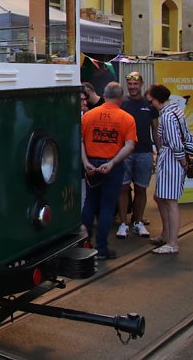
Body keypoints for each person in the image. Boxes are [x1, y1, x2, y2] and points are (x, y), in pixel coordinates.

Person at [80, 81, 136, 260]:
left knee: (90, 202)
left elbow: (80, 141)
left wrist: (85, 162)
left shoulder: (88, 116)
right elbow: (129, 145)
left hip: (91, 163)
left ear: (104, 96)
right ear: (121, 98)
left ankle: (83, 243)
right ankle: (101, 248)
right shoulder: (127, 118)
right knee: (107, 206)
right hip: (112, 165)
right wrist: (112, 163)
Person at [145, 83, 191, 255]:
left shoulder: (167, 116)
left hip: (172, 160)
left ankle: (172, 242)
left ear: (157, 99)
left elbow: (175, 143)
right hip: (172, 159)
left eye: (151, 101)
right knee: (160, 197)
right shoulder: (176, 111)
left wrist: (183, 161)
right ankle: (167, 236)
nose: (151, 104)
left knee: (170, 201)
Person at [116, 72, 159, 239]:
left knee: (141, 189)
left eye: (135, 84)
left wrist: (159, 151)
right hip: (124, 153)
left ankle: (138, 222)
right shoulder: (121, 103)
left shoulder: (149, 105)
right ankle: (123, 223)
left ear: (141, 83)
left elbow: (155, 129)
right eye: (130, 84)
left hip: (144, 152)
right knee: (123, 188)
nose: (132, 87)